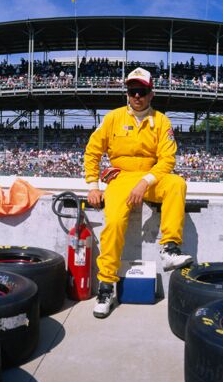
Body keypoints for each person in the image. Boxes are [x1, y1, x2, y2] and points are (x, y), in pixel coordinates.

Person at [83, 67, 193, 319]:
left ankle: (169, 249)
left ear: (151, 94)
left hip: (151, 176)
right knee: (113, 223)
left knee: (177, 184)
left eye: (142, 91)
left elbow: (167, 159)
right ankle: (106, 286)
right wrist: (93, 185)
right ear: (127, 93)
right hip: (121, 178)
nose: (137, 96)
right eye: (132, 91)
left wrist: (145, 182)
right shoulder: (112, 118)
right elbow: (92, 152)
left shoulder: (162, 121)